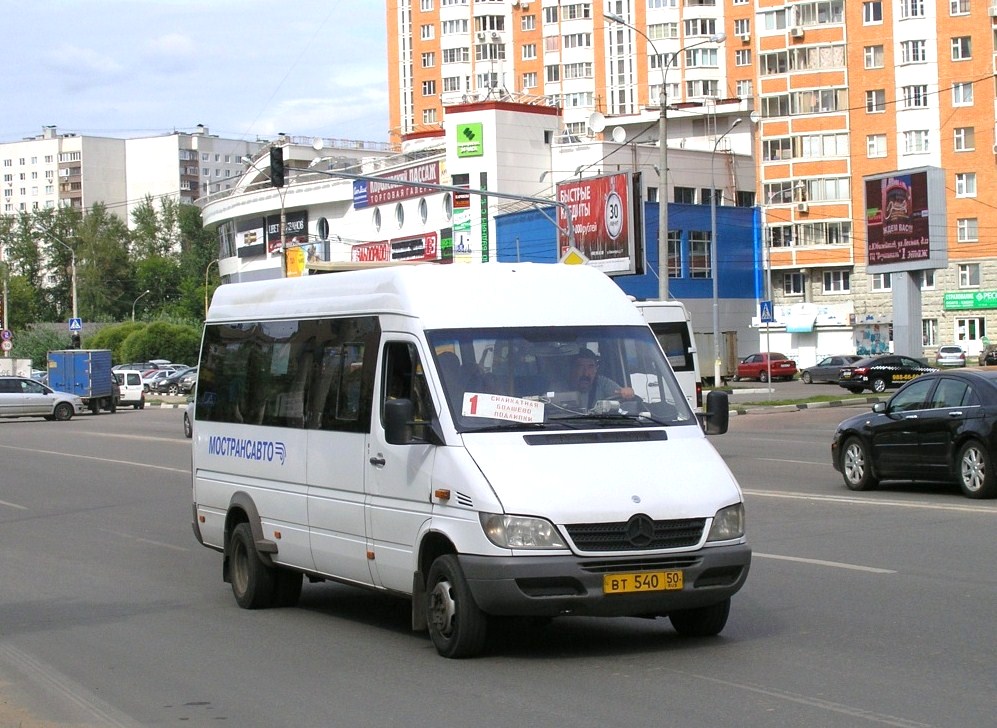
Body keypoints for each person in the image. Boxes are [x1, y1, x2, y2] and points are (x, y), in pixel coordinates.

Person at [560, 347, 635, 408]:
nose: (586, 373)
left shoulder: (602, 383)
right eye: (580, 367)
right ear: (572, 369)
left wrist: (628, 392)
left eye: (591, 367)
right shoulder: (560, 386)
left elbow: (622, 392)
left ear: (596, 369)